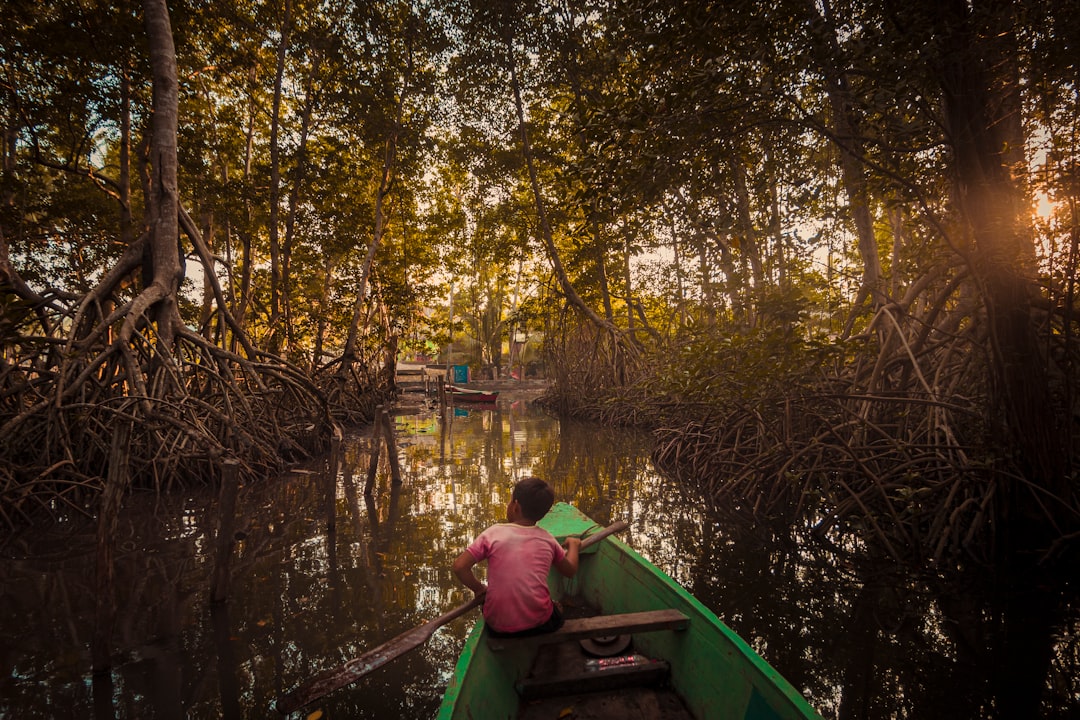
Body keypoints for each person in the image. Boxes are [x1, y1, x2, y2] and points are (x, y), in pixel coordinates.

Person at [452, 477, 582, 637]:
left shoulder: (493, 533)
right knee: (557, 610)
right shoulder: (548, 540)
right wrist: (574, 545)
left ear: (515, 506)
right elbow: (570, 570)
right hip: (539, 624)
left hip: (498, 627)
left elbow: (459, 567)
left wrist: (479, 589)